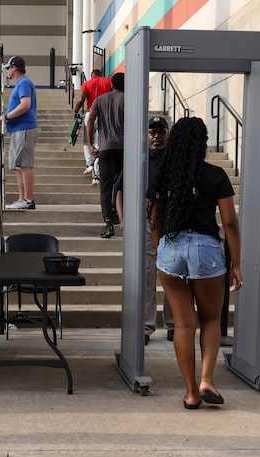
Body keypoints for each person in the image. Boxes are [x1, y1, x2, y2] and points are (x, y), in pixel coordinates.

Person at [147, 117, 242, 410]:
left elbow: (154, 222)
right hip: (206, 250)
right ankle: (206, 381)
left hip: (171, 249)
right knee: (211, 319)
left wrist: (161, 249)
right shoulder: (215, 175)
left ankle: (190, 393)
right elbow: (229, 222)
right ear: (202, 143)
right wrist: (236, 263)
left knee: (184, 325)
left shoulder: (163, 176)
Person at [113, 115, 169, 345]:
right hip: (147, 223)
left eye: (160, 132)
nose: (156, 136)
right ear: (146, 135)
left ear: (167, 134)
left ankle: (174, 324)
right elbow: (119, 190)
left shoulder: (174, 159)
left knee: (174, 276)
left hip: (171, 222)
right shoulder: (139, 160)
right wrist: (124, 220)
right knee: (148, 276)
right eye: (152, 132)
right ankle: (146, 327)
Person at [0, 56, 38, 211]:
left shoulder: (23, 83)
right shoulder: (22, 83)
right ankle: (23, 198)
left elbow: (25, 105)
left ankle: (28, 199)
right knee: (19, 165)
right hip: (19, 128)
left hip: (24, 128)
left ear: (14, 68)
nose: (7, 71)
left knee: (24, 164)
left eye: (8, 68)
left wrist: (6, 116)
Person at [87, 72, 125, 238]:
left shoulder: (100, 100)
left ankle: (108, 222)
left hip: (105, 147)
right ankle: (121, 214)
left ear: (112, 85)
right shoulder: (130, 98)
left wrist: (90, 144)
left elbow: (90, 120)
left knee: (105, 185)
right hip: (126, 147)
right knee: (123, 183)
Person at [72, 69, 111, 186]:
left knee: (87, 141)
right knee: (100, 143)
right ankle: (97, 173)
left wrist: (75, 111)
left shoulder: (87, 84)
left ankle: (89, 164)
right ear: (101, 75)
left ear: (91, 75)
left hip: (90, 114)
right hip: (104, 115)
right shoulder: (108, 82)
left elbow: (81, 100)